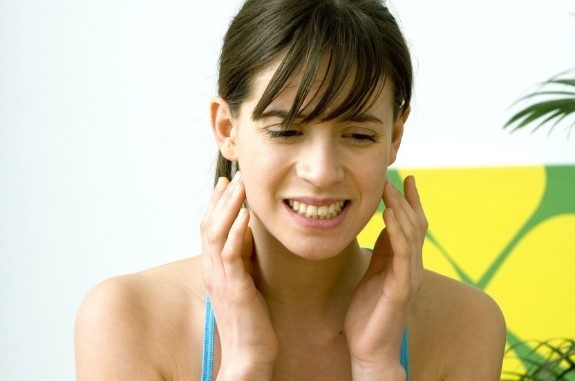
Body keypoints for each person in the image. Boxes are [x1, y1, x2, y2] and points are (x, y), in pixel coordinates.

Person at [74, 0, 506, 379]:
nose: (321, 172)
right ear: (228, 129)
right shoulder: (126, 320)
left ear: (395, 137)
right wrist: (245, 362)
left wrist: (377, 364)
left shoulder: (466, 324)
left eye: (358, 136)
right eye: (286, 131)